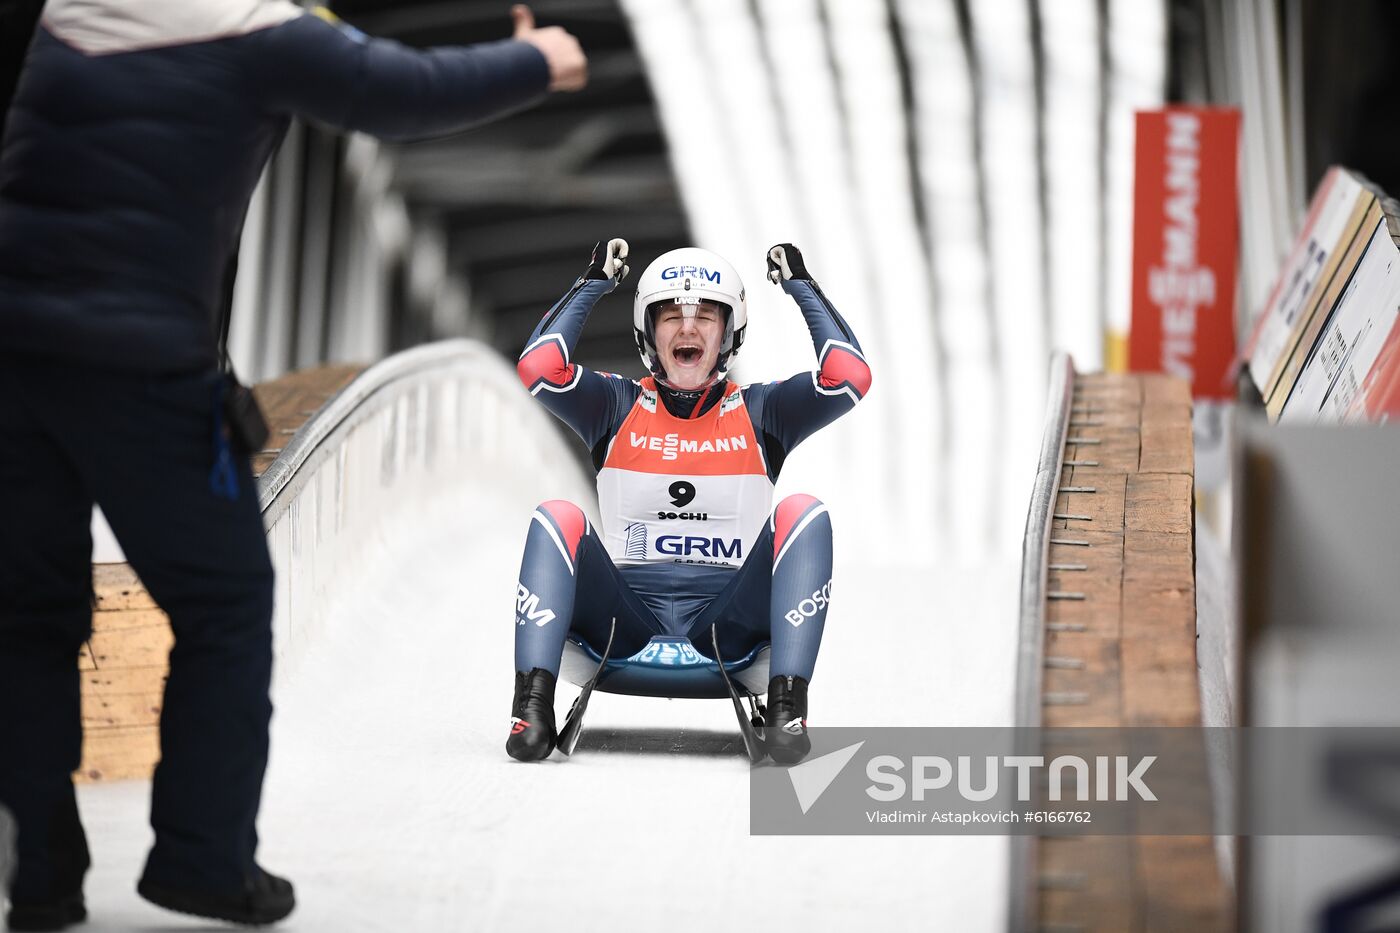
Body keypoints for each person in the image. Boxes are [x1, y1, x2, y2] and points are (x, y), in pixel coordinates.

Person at [0, 1, 585, 929]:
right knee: (224, 605)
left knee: (28, 612)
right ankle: (204, 857)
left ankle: (40, 874)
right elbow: (404, 92)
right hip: (141, 370)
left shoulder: (67, 12)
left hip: (15, 357)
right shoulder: (254, 31)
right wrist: (535, 60)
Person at [508, 239, 872, 765]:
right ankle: (532, 707)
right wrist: (591, 285)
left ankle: (789, 708)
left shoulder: (762, 411)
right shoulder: (615, 405)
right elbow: (540, 366)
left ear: (729, 333)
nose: (687, 329)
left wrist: (802, 288)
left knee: (805, 512)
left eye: (706, 316)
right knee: (556, 517)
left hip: (727, 627)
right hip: (622, 624)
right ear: (648, 333)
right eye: (670, 316)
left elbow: (849, 378)